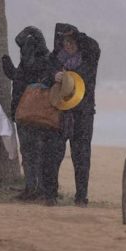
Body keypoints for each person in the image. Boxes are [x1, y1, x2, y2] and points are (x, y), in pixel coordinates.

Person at [1, 26, 59, 201]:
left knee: (31, 153)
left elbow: (19, 76)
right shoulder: (48, 61)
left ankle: (34, 188)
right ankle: (37, 188)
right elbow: (19, 76)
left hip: (28, 114)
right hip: (37, 115)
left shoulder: (33, 61)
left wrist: (7, 63)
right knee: (36, 152)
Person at [47, 23, 100, 207]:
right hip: (60, 113)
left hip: (83, 113)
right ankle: (50, 194)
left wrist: (78, 34)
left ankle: (81, 197)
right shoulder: (55, 59)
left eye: (71, 42)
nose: (68, 46)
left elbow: (94, 46)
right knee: (54, 154)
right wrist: (54, 75)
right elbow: (45, 75)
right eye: (64, 42)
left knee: (82, 155)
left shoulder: (88, 57)